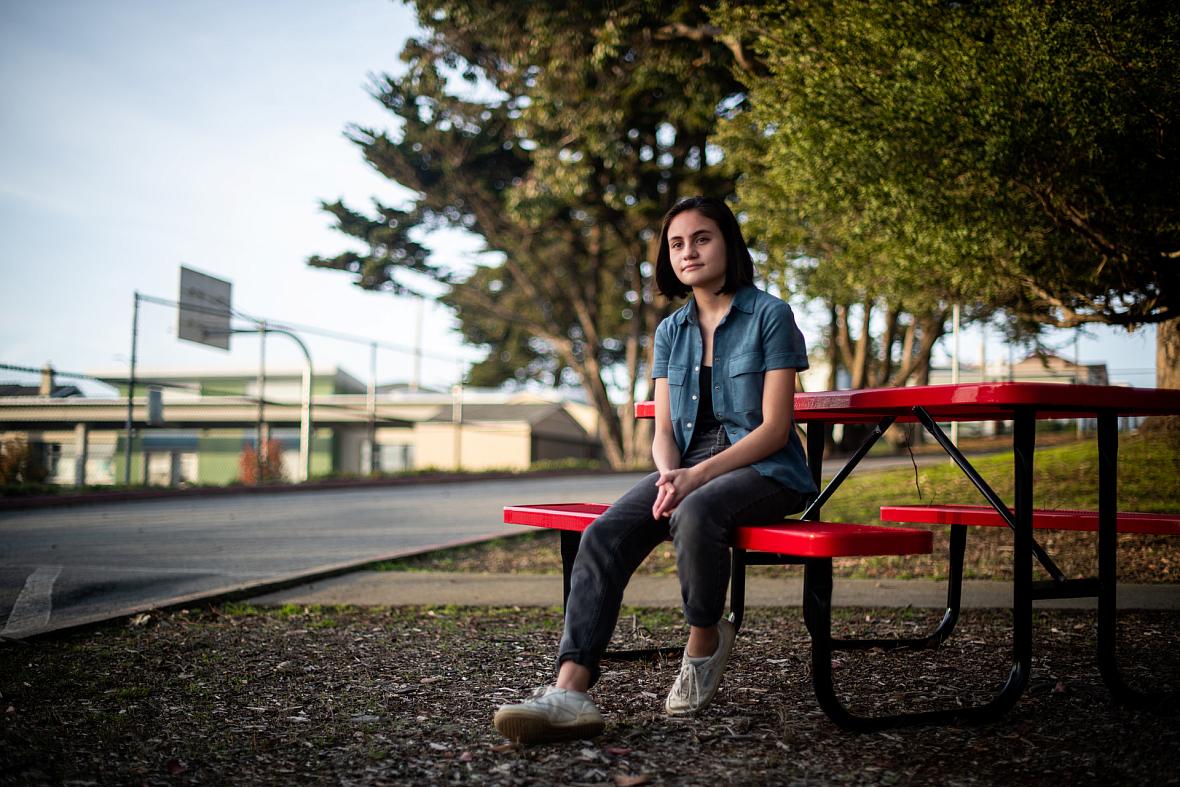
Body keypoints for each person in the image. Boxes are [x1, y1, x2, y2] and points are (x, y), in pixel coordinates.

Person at [493, 196, 817, 744]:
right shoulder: (671, 331)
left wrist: (696, 478)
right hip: (686, 466)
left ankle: (704, 639)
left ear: (729, 244)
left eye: (702, 238)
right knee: (604, 533)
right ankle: (570, 690)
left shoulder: (770, 314)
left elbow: (775, 429)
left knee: (695, 512)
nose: (688, 251)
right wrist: (671, 473)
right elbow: (663, 431)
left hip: (764, 467)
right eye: (677, 244)